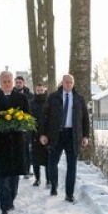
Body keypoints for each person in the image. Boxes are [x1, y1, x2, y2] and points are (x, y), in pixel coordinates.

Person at [39, 73, 90, 203]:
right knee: (52, 163)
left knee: (72, 165)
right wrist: (43, 134)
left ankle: (69, 194)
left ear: (73, 83)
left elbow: (85, 118)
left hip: (73, 135)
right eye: (66, 81)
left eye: (70, 82)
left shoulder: (79, 99)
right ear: (62, 83)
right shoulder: (53, 97)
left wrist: (85, 136)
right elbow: (44, 116)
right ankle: (54, 185)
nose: (68, 84)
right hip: (56, 134)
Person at [0, 71, 30, 214]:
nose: (7, 84)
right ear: (0, 82)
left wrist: (20, 122)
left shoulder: (22, 98)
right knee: (1, 175)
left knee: (14, 176)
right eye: (4, 81)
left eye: (9, 81)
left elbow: (27, 116)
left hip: (16, 142)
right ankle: (4, 206)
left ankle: (11, 198)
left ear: (13, 82)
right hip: (0, 143)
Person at [29, 82, 50, 187]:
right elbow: (29, 118)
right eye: (38, 90)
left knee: (48, 159)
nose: (40, 92)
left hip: (47, 134)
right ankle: (37, 179)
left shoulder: (49, 102)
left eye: (41, 90)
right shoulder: (31, 103)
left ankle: (48, 180)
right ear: (35, 91)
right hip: (35, 133)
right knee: (35, 159)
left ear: (45, 90)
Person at [14, 75, 34, 177]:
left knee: (26, 149)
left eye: (20, 82)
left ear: (23, 83)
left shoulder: (30, 95)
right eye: (16, 82)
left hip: (26, 124)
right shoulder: (11, 94)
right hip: (14, 125)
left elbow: (32, 109)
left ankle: (27, 170)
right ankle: (16, 170)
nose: (18, 84)